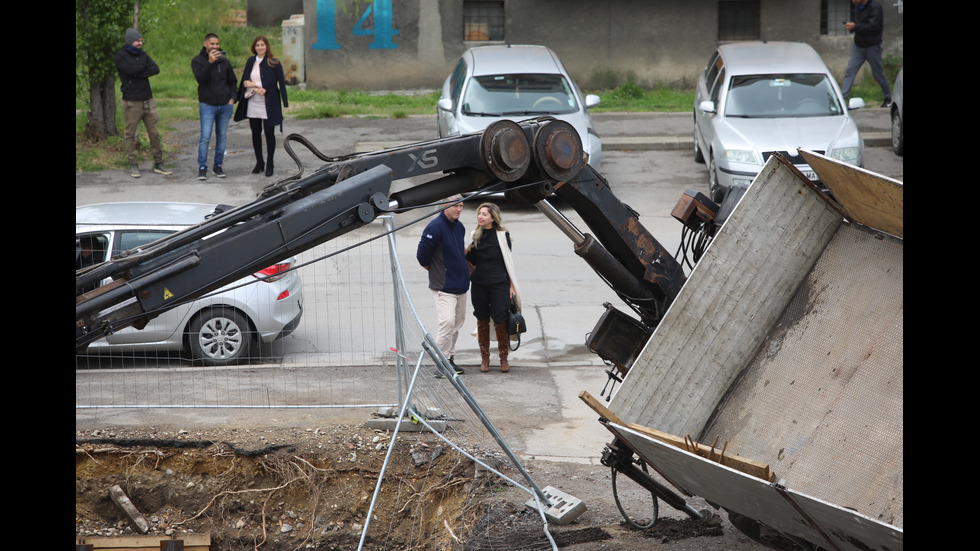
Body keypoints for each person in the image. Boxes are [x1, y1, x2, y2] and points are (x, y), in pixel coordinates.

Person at [417, 196, 470, 376]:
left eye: (461, 205)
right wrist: (436, 270)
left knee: (457, 323)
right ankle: (440, 362)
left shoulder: (460, 227)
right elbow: (422, 255)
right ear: (446, 205)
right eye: (456, 206)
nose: (459, 209)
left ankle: (449, 358)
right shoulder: (435, 227)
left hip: (461, 285)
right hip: (444, 285)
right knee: (447, 322)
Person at [465, 203, 520, 373]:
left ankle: (503, 357)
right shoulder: (475, 235)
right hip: (479, 284)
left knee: (500, 319)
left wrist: (511, 285)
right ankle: (485, 358)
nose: (480, 217)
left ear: (493, 217)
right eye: (479, 214)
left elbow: (508, 263)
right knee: (481, 319)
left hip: (499, 284)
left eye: (484, 214)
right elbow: (470, 260)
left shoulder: (503, 236)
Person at [113, 28, 171, 178]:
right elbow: (129, 70)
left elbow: (155, 69)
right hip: (132, 102)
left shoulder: (143, 55)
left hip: (148, 100)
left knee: (154, 133)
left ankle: (158, 163)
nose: (140, 43)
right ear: (130, 41)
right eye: (138, 40)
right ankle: (133, 164)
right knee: (130, 134)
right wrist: (140, 71)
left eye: (141, 40)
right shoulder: (120, 56)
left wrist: (138, 72)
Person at [234, 36, 289, 177]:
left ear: (267, 46)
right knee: (255, 133)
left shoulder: (274, 62)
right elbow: (245, 82)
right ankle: (259, 162)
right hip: (253, 101)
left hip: (269, 102)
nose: (260, 47)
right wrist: (257, 87)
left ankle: (270, 162)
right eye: (257, 45)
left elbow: (278, 83)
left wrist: (285, 102)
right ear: (254, 47)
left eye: (262, 45)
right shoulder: (251, 61)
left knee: (269, 133)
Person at [191, 33, 238, 180]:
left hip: (225, 105)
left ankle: (218, 166)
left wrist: (232, 99)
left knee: (222, 137)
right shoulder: (198, 61)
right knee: (205, 136)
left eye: (217, 44)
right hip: (207, 105)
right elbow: (201, 79)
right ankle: (202, 167)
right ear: (205, 44)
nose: (215, 47)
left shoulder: (224, 62)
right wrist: (209, 63)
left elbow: (233, 82)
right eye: (212, 44)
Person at [841, 0, 891, 107]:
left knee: (878, 74)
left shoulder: (875, 7)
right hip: (859, 46)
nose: (853, 0)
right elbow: (858, 23)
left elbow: (873, 27)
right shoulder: (858, 6)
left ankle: (888, 98)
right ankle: (842, 100)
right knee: (850, 72)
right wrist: (851, 26)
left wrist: (855, 27)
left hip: (872, 46)